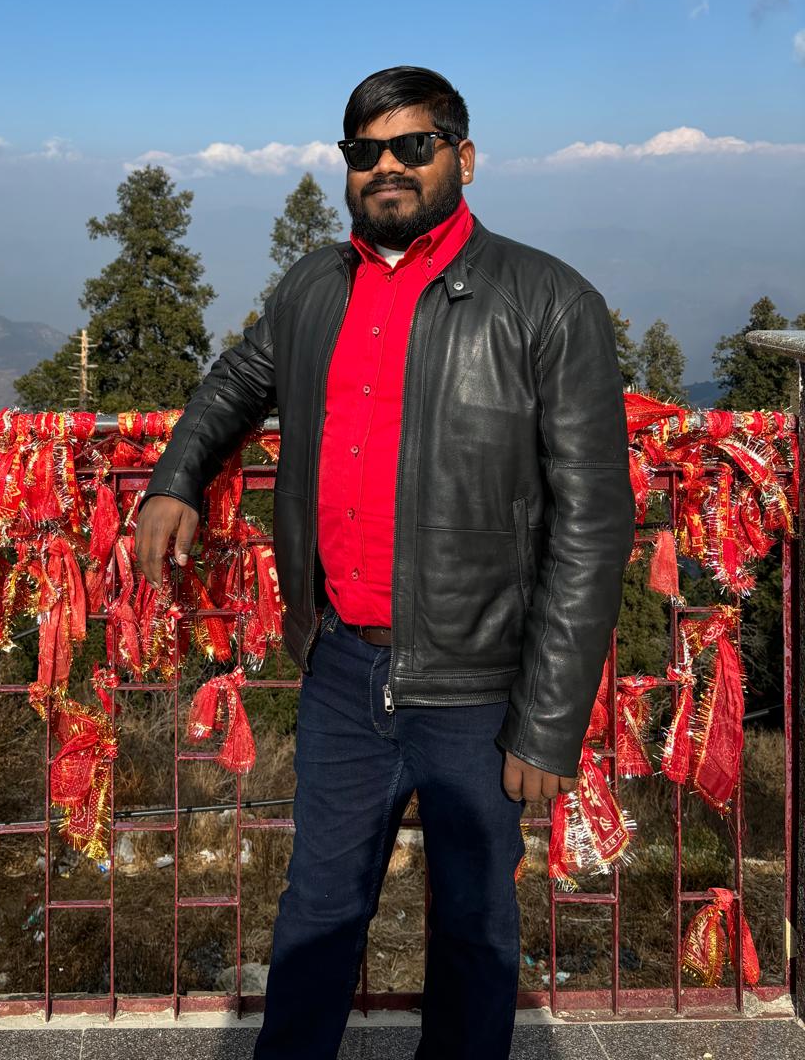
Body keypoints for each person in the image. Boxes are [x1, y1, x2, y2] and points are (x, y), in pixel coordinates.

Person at [135, 65, 634, 1060]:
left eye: (415, 145)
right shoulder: (314, 288)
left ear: (464, 155)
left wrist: (547, 722)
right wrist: (175, 478)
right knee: (315, 916)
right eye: (366, 152)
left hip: (481, 685)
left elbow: (593, 521)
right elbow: (235, 384)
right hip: (343, 670)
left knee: (476, 933)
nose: (389, 167)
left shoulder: (547, 302)